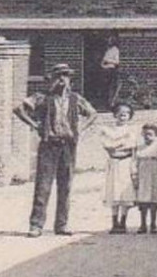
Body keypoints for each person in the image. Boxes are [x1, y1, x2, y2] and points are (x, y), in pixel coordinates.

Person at [14, 62, 97, 237]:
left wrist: (80, 129)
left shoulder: (76, 99)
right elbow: (19, 109)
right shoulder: (42, 97)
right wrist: (34, 124)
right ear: (51, 79)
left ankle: (62, 224)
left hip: (68, 145)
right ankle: (36, 225)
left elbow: (92, 113)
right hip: (49, 145)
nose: (61, 80)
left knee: (65, 186)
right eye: (58, 76)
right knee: (43, 186)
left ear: (70, 80)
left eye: (65, 76)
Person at [100, 101, 141, 234]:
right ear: (115, 115)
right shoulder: (109, 130)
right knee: (114, 192)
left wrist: (119, 146)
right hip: (114, 163)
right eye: (120, 113)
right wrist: (119, 146)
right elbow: (108, 147)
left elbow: (132, 147)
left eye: (126, 114)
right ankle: (114, 222)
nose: (123, 116)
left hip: (126, 163)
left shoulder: (133, 130)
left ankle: (123, 222)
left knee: (125, 192)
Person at [133, 123, 157, 234]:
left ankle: (153, 224)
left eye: (150, 134)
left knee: (154, 201)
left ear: (155, 135)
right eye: (145, 134)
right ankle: (143, 224)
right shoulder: (139, 148)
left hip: (153, 175)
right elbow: (134, 162)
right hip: (142, 176)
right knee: (142, 201)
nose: (147, 137)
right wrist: (135, 176)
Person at [99, 33, 123, 110]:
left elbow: (117, 62)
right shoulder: (108, 50)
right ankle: (105, 103)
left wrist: (107, 61)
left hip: (110, 70)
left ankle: (110, 104)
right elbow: (103, 61)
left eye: (109, 40)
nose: (108, 41)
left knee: (109, 87)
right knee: (104, 88)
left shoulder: (115, 50)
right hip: (105, 70)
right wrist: (102, 64)